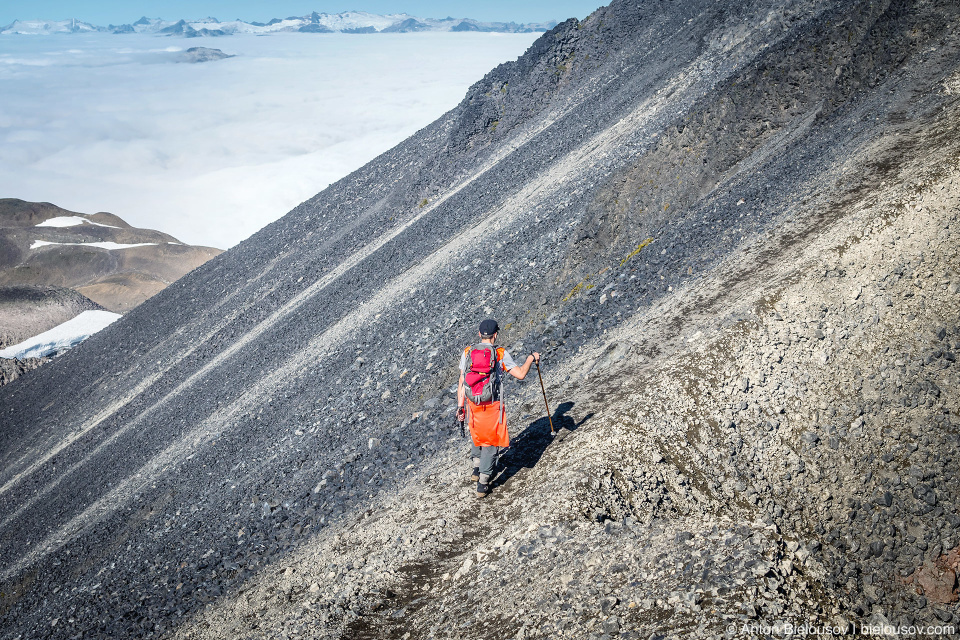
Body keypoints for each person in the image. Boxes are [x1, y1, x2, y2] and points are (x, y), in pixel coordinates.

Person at [457, 318, 539, 498]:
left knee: (477, 433)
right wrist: (530, 358)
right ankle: (483, 483)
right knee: (490, 442)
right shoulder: (499, 353)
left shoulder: (468, 352)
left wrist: (460, 407)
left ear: (479, 334)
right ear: (496, 335)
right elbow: (521, 374)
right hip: (492, 404)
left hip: (473, 403)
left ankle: (476, 469)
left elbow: (462, 382)